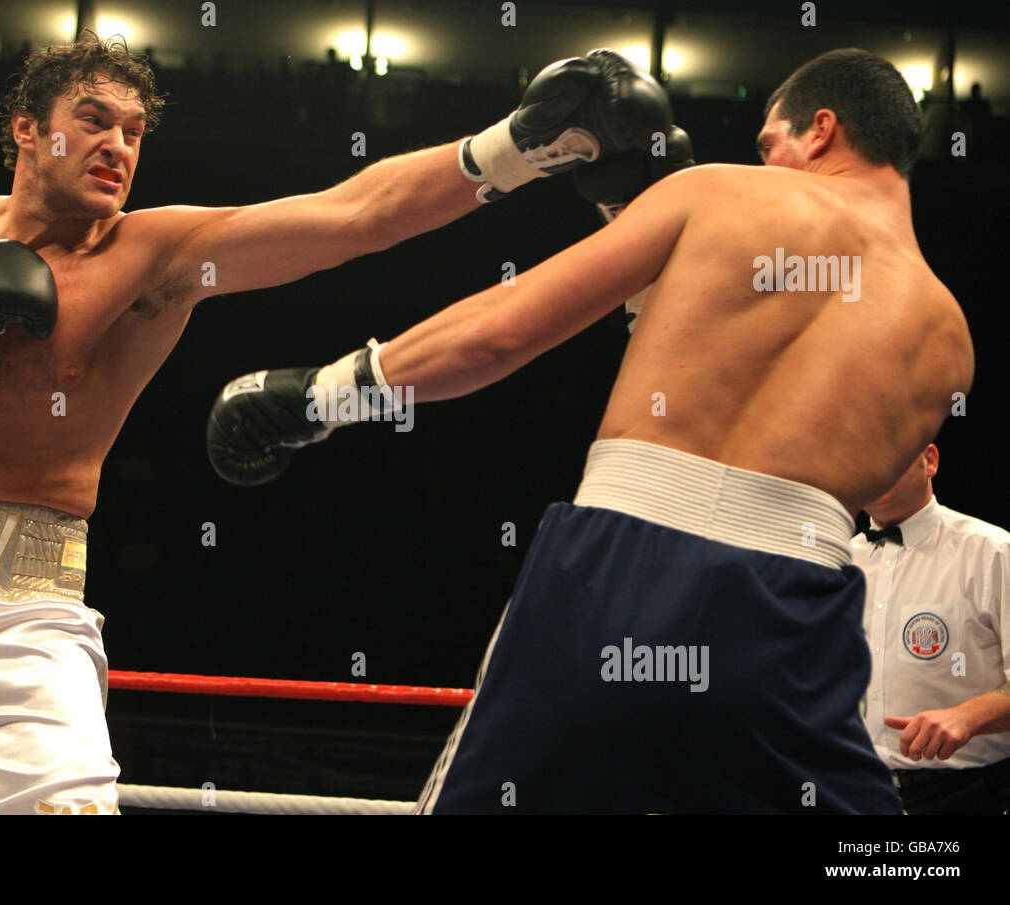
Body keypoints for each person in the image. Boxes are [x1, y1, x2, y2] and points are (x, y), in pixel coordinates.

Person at [0, 34, 667, 814]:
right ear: (23, 130)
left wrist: (519, 145)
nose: (118, 145)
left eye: (133, 130)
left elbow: (352, 216)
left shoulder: (158, 260)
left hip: (11, 622)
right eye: (93, 120)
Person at [205, 48, 975, 813]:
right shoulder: (949, 338)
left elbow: (500, 333)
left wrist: (318, 397)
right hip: (794, 619)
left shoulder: (723, 194)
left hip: (615, 574)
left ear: (821, 130)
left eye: (770, 142)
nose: (762, 159)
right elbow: (805, 458)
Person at [853, 443, 1010, 814]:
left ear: (931, 460)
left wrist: (968, 716)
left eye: (890, 451)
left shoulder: (993, 553)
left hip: (969, 796)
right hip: (858, 794)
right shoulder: (840, 562)